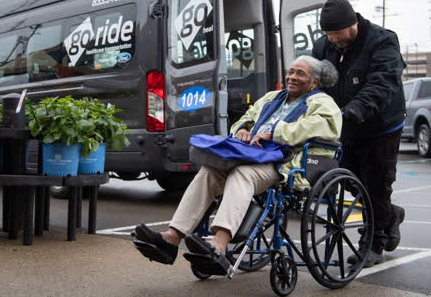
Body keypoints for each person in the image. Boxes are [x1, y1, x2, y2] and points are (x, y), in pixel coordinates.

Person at [133, 55, 342, 272]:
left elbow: (321, 126)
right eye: (291, 71)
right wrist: (241, 129)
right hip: (253, 154)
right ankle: (172, 237)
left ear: (314, 82)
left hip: (285, 162)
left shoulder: (322, 102)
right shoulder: (274, 97)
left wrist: (274, 133)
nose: (292, 77)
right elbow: (248, 117)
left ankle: (220, 243)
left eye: (301, 74)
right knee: (209, 171)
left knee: (243, 174)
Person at [312, 0, 406, 267]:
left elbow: (382, 82)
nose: (333, 40)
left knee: (377, 184)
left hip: (381, 126)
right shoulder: (324, 46)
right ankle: (391, 215)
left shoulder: (382, 40)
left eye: (337, 34)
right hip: (343, 125)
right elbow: (314, 78)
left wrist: (354, 110)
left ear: (353, 23)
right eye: (328, 35)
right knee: (352, 181)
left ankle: (373, 245)